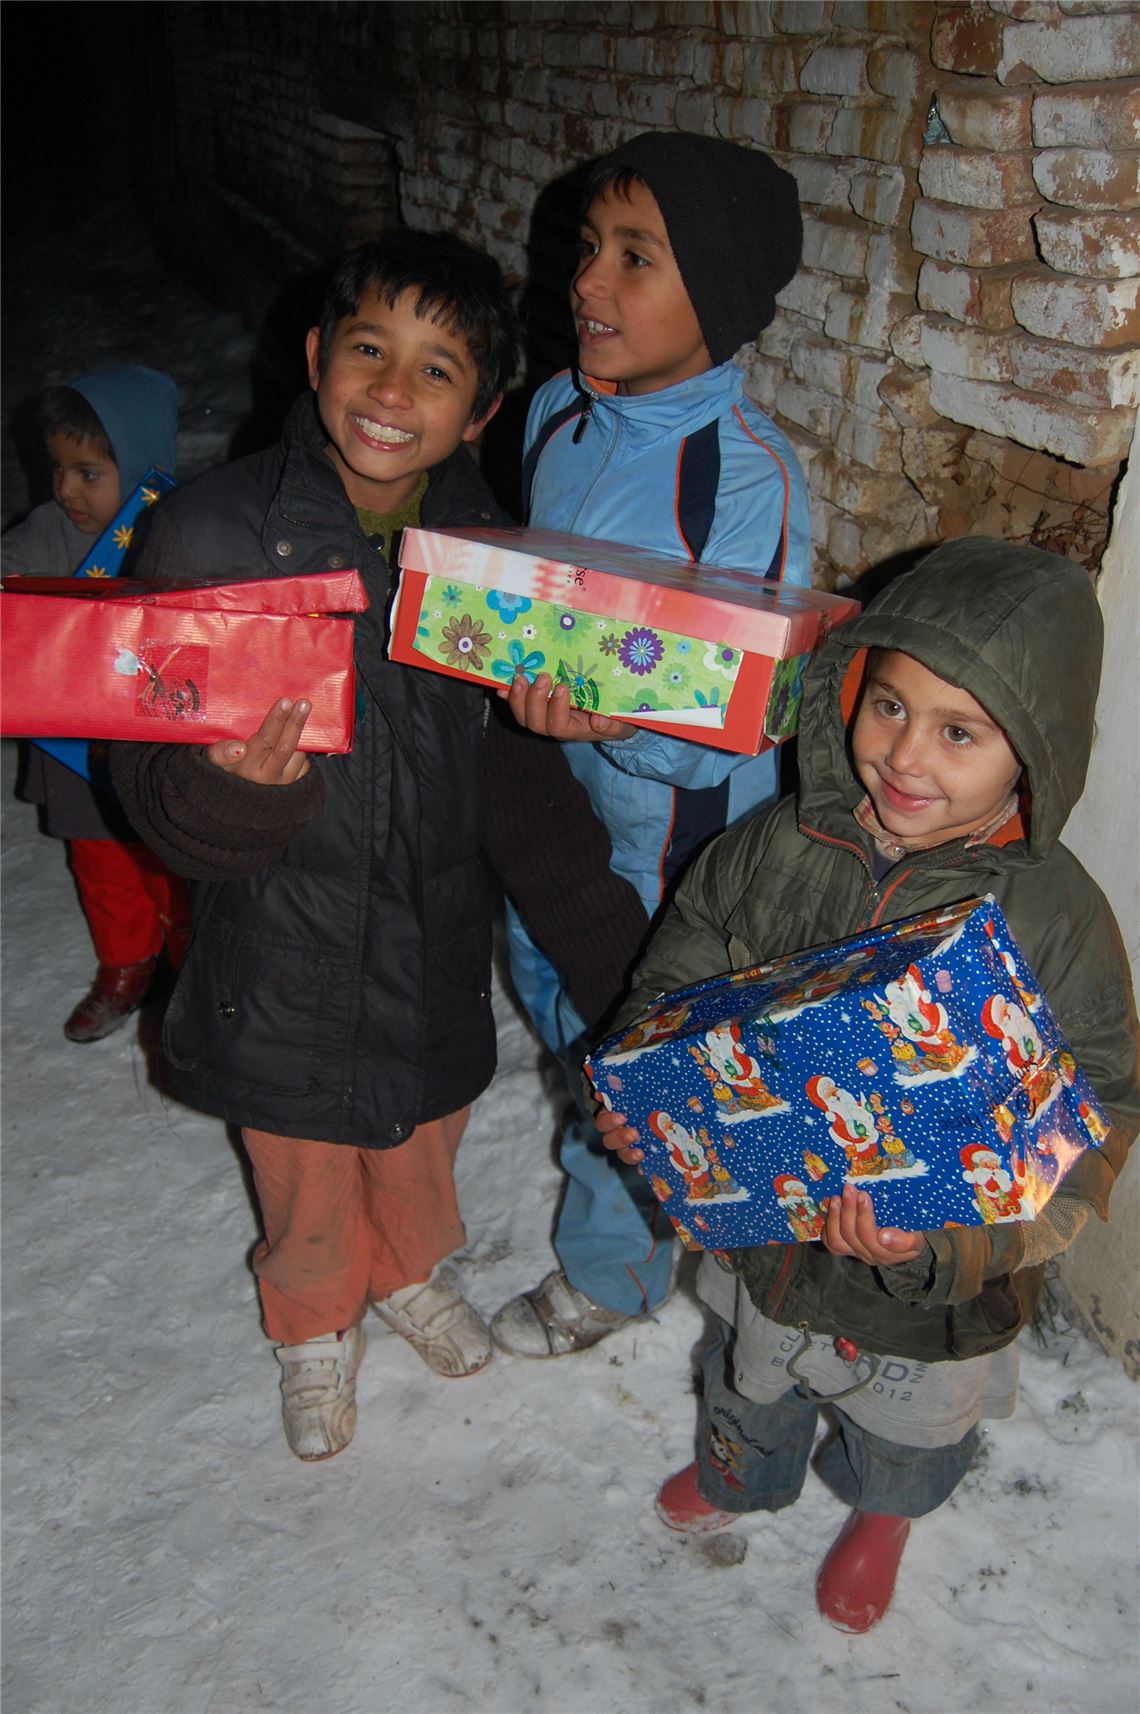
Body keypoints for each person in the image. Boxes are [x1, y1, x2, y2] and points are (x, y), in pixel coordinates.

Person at [596, 538, 1139, 1631]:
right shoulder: (778, 840)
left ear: (1030, 755)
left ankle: (885, 1512)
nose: (904, 757)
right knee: (751, 1374)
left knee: (910, 1425)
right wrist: (650, 1091)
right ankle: (744, 1471)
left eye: (959, 732)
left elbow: (1099, 1109)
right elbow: (689, 952)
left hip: (933, 1283)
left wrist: (949, 1244)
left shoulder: (1056, 916)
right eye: (887, 705)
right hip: (774, 1237)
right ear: (848, 685)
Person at [109, 232, 518, 1460]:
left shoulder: (491, 554)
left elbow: (511, 763)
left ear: (479, 411)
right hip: (279, 937)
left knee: (417, 1137)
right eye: (370, 350)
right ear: (314, 357)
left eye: (439, 370)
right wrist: (233, 793)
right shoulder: (209, 536)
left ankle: (404, 1273)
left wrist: (566, 715)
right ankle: (311, 1323)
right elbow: (147, 779)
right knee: (300, 1162)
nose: (395, 392)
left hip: (436, 927)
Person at [483, 130, 812, 1357]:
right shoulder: (562, 412)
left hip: (664, 844)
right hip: (552, 808)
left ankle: (616, 1271)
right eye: (590, 251)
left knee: (628, 1059)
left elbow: (741, 711)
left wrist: (623, 722)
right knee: (562, 1008)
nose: (588, 284)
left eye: (637, 258)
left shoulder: (745, 484)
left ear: (715, 297)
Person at [2, 366, 191, 1041]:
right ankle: (126, 965)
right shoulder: (47, 532)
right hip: (71, 742)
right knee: (100, 862)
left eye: (88, 473)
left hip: (152, 744)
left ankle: (188, 974)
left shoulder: (178, 529)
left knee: (171, 864)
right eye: (58, 470)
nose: (65, 490)